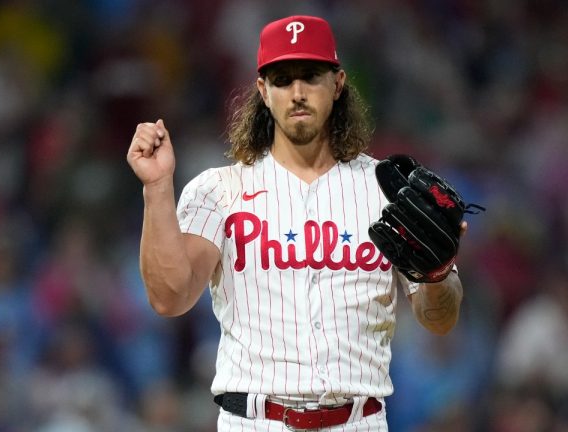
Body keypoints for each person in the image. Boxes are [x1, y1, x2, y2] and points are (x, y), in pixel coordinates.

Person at [126, 15, 467, 431]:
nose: (298, 92)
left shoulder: (386, 189)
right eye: (283, 79)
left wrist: (438, 273)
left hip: (358, 421)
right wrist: (157, 187)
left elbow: (440, 319)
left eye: (310, 76)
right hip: (255, 421)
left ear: (337, 83)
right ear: (263, 91)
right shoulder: (219, 190)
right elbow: (169, 298)